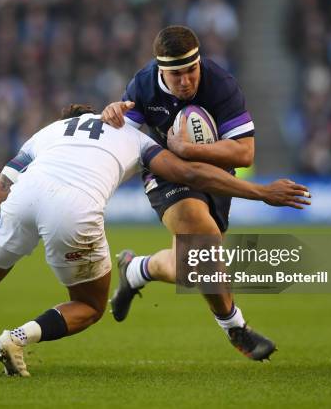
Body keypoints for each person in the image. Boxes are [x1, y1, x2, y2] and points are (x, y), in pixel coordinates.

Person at [0, 104, 310, 377]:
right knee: (89, 306)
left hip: (26, 194)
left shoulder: (45, 134)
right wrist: (260, 191)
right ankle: (15, 338)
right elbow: (188, 172)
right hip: (74, 207)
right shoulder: (130, 133)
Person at [102, 25, 276, 360]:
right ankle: (236, 329)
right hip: (165, 174)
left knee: (191, 267)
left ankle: (137, 269)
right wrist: (111, 118)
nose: (185, 81)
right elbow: (121, 136)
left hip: (214, 176)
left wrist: (187, 148)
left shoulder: (220, 84)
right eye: (176, 74)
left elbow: (244, 153)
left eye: (191, 71)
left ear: (200, 63)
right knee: (202, 242)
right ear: (160, 70)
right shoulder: (143, 84)